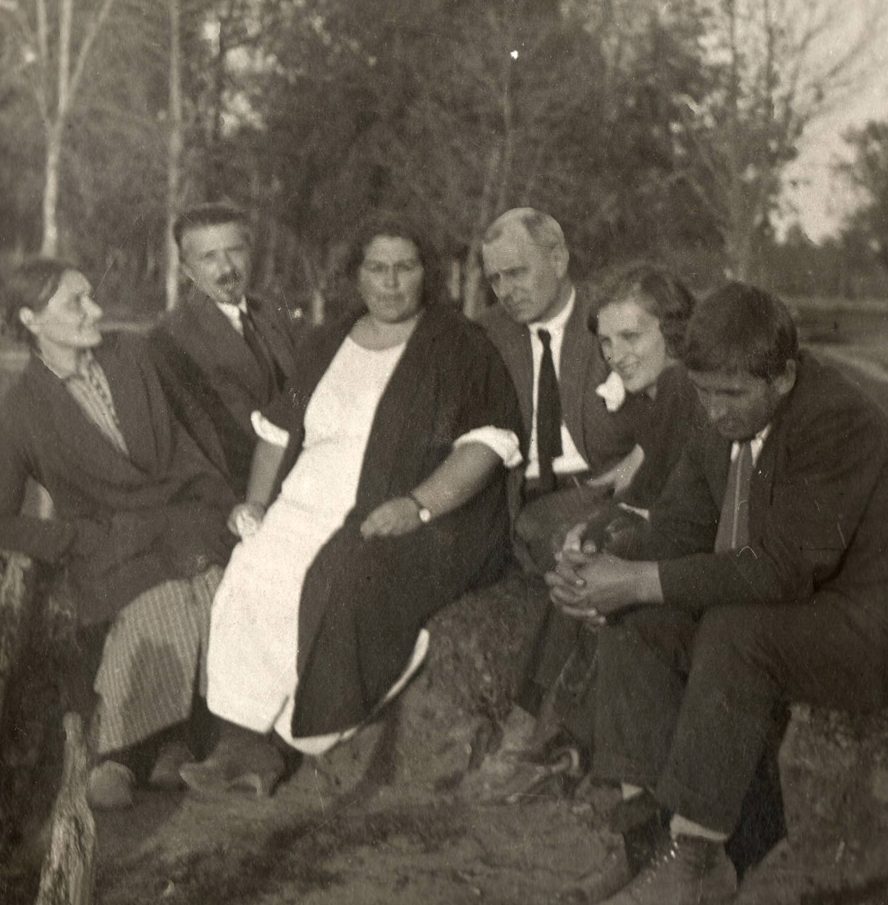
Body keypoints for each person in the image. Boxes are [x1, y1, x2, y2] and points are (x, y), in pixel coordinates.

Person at [547, 282, 888, 905]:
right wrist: (598, 568)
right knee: (637, 618)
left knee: (735, 632)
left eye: (732, 395)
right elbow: (679, 529)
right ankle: (645, 843)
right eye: (704, 392)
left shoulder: (834, 420)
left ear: (785, 376)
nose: (715, 412)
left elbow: (782, 570)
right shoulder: (722, 404)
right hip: (817, 604)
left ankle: (697, 861)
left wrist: (633, 579)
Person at [188, 216, 522, 795]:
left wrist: (417, 505)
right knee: (252, 567)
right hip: (302, 504)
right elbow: (277, 433)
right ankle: (243, 744)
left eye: (405, 268)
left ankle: (305, 738)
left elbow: (485, 446)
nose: (390, 283)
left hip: (396, 509)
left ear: (427, 274)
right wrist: (256, 504)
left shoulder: (458, 345)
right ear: (357, 275)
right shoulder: (326, 342)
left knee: (342, 579)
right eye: (377, 268)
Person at [0, 258, 237, 811]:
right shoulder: (20, 412)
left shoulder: (135, 355)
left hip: (187, 524)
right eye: (76, 302)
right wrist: (76, 539)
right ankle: (129, 752)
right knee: (163, 601)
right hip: (112, 551)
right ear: (30, 319)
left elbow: (199, 436)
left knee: (214, 588)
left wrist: (220, 507)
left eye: (90, 295)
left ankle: (144, 750)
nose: (95, 310)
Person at [466, 262, 702, 800]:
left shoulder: (685, 389)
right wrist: (595, 528)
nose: (616, 355)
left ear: (674, 332)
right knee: (584, 560)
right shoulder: (666, 394)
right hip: (674, 549)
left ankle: (546, 738)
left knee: (595, 567)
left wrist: (603, 539)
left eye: (631, 337)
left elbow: (679, 512)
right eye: (607, 343)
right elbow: (647, 493)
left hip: (711, 565)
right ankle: (549, 738)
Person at [477, 208, 635, 575]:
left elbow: (676, 400)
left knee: (577, 549)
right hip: (520, 499)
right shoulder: (484, 335)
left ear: (558, 259)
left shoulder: (610, 317)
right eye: (495, 279)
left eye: (517, 272)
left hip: (602, 488)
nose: (506, 291)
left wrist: (639, 459)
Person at [149, 203, 299, 493]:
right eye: (209, 257)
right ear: (187, 270)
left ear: (250, 254)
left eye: (235, 251)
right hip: (241, 489)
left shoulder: (272, 313)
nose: (227, 268)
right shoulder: (170, 339)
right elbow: (212, 442)